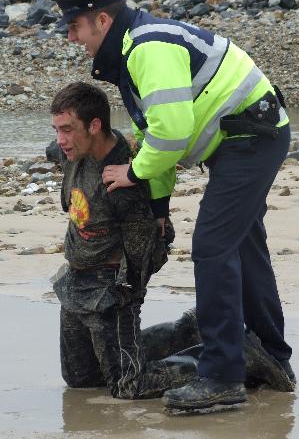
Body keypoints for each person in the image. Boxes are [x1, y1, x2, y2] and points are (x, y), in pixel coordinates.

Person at [48, 0, 295, 410]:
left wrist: (133, 173)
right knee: (243, 247)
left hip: (249, 135)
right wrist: (159, 209)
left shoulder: (148, 48)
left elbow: (173, 135)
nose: (72, 37)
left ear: (102, 21)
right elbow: (151, 134)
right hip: (239, 137)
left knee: (213, 248)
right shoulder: (129, 51)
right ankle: (271, 354)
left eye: (75, 26)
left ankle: (222, 376)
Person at [50, 81, 200, 399]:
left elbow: (146, 244)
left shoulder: (122, 180)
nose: (60, 140)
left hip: (110, 287)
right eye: (56, 130)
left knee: (128, 386)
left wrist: (126, 295)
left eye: (67, 129)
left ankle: (227, 358)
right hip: (76, 282)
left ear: (95, 125)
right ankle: (185, 332)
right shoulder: (72, 150)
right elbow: (58, 150)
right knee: (80, 379)